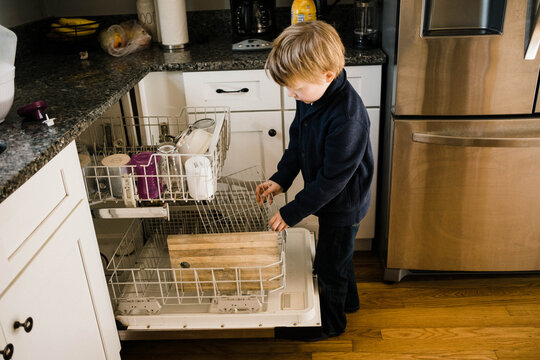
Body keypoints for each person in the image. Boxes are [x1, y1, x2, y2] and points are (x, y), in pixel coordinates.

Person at [255, 21, 374, 340]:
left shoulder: (347, 118)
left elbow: (333, 181)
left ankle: (330, 324)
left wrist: (291, 212)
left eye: (297, 88)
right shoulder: (311, 95)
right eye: (289, 88)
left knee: (330, 263)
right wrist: (281, 179)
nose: (292, 94)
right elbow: (298, 141)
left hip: (343, 204)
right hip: (329, 197)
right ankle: (349, 302)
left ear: (328, 75)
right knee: (339, 256)